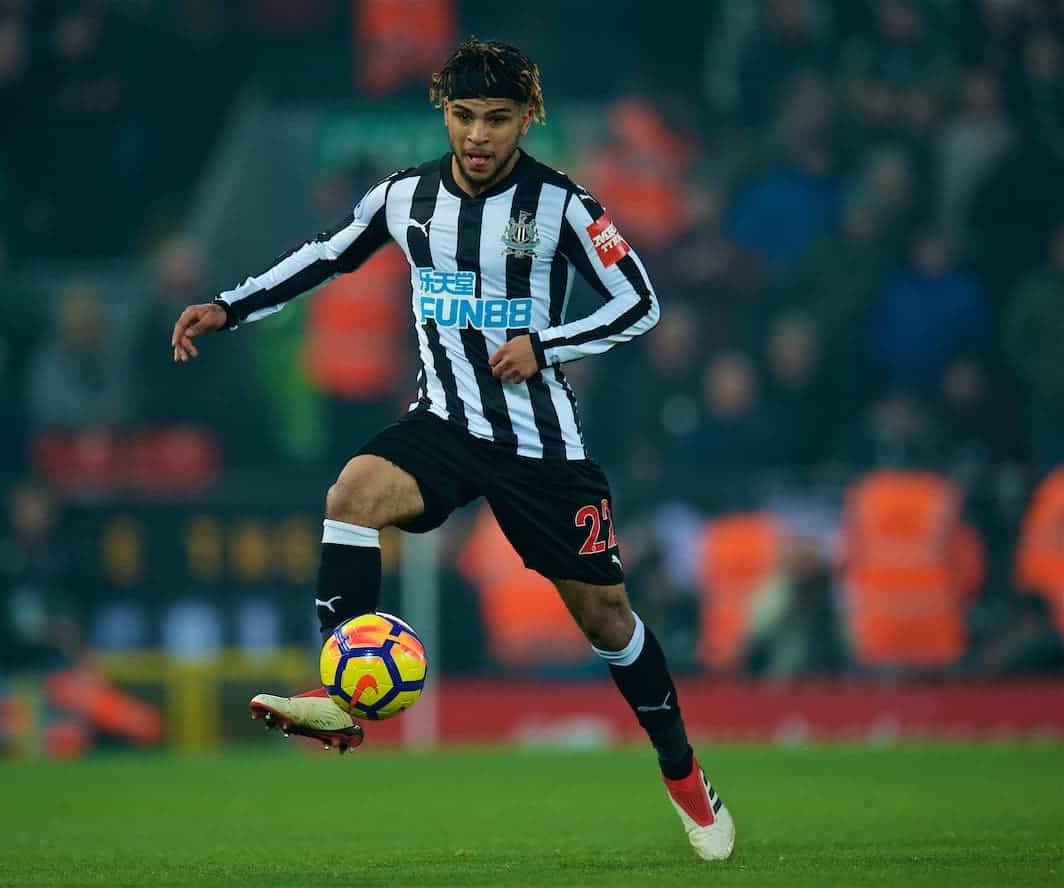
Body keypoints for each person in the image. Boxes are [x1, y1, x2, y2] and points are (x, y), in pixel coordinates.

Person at [170, 39, 734, 861]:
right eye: (464, 116)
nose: (477, 135)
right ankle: (340, 690)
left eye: (497, 119)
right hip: (444, 423)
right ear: (444, 113)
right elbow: (326, 256)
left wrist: (547, 344)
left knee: (607, 618)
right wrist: (228, 305)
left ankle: (684, 775)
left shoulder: (565, 206)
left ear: (525, 120)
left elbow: (640, 303)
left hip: (542, 446)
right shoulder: (406, 197)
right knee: (351, 495)